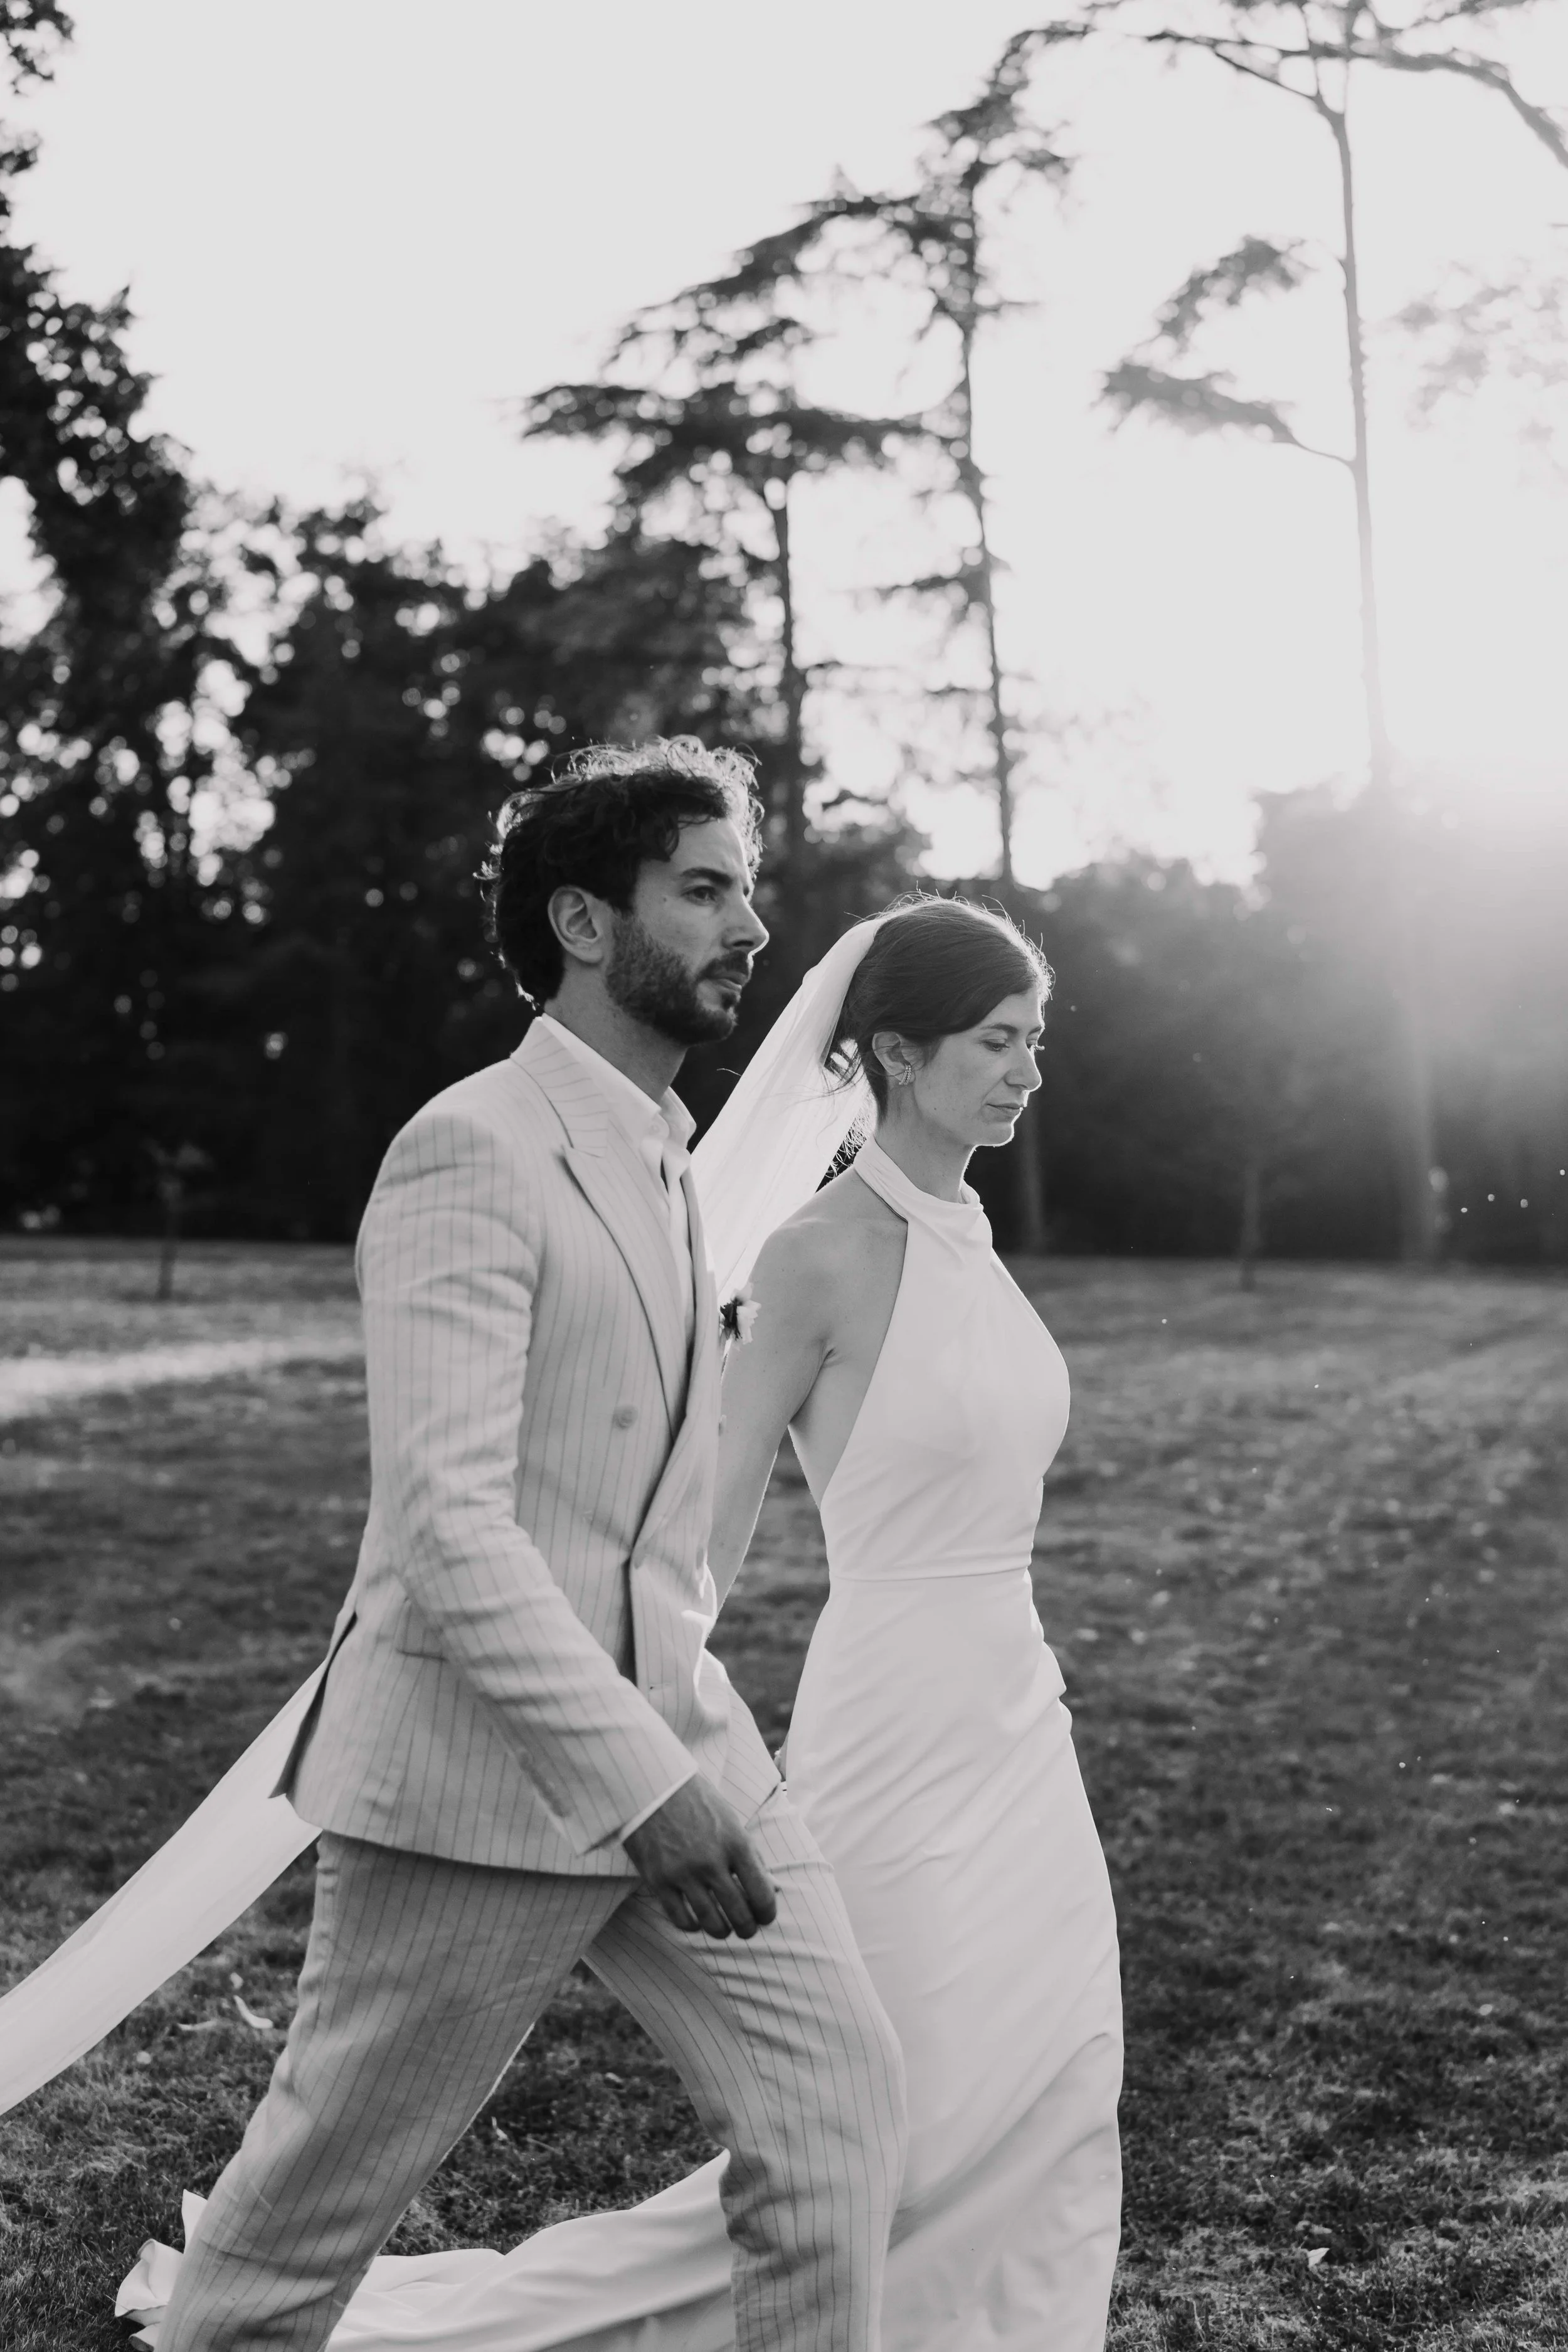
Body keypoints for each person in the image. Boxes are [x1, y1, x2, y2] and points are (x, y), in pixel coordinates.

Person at [123, 893, 1123, 2352]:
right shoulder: (776, 1241)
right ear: (899, 1055)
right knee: (333, 2177)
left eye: (1036, 1038)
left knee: (951, 2088)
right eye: (996, 1039)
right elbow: (675, 1518)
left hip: (1010, 1715)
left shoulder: (887, 1218)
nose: (1029, 1067)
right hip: (828, 1720)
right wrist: (648, 1737)